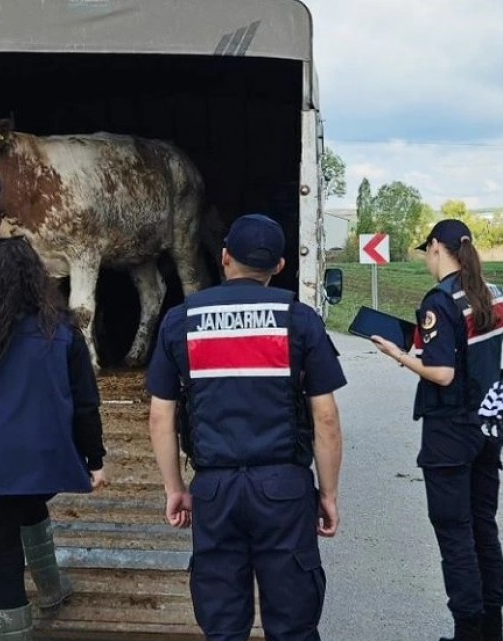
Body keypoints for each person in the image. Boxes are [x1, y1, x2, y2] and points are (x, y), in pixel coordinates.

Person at [146, 213, 345, 641]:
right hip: (285, 490)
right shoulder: (299, 319)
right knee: (293, 623)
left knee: (223, 626)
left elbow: (161, 415)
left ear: (224, 258)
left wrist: (175, 489)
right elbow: (325, 417)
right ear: (278, 267)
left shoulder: (182, 320)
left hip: (214, 492)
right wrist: (326, 494)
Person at [0, 236, 108, 641]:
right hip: (41, 465)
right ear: (38, 279)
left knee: (4, 565)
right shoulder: (63, 333)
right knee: (28, 500)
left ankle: (34, 606)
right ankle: (51, 587)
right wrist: (94, 461)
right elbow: (86, 406)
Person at [371, 219, 503, 641]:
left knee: (454, 532)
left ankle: (467, 631)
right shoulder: (493, 293)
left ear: (436, 249)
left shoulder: (439, 302)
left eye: (427, 252)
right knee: (484, 526)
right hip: (488, 425)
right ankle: (492, 627)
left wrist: (398, 354)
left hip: (450, 433)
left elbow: (442, 373)